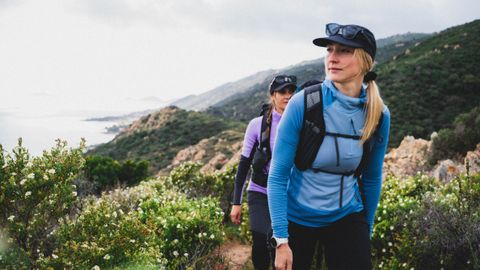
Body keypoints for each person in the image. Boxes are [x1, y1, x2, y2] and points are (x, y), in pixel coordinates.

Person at [267, 23, 391, 270]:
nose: (332, 58)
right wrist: (281, 239)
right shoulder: (304, 103)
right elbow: (278, 176)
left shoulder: (378, 114)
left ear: (365, 61)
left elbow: (372, 178)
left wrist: (365, 230)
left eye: (344, 51)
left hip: (346, 215)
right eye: (329, 50)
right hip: (297, 217)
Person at [230, 75, 297, 270]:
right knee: (262, 239)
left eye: (291, 91)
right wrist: (236, 202)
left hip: (289, 193)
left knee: (284, 244)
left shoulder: (300, 124)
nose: (287, 96)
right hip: (260, 190)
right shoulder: (256, 125)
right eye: (282, 92)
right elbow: (244, 165)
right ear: (273, 95)